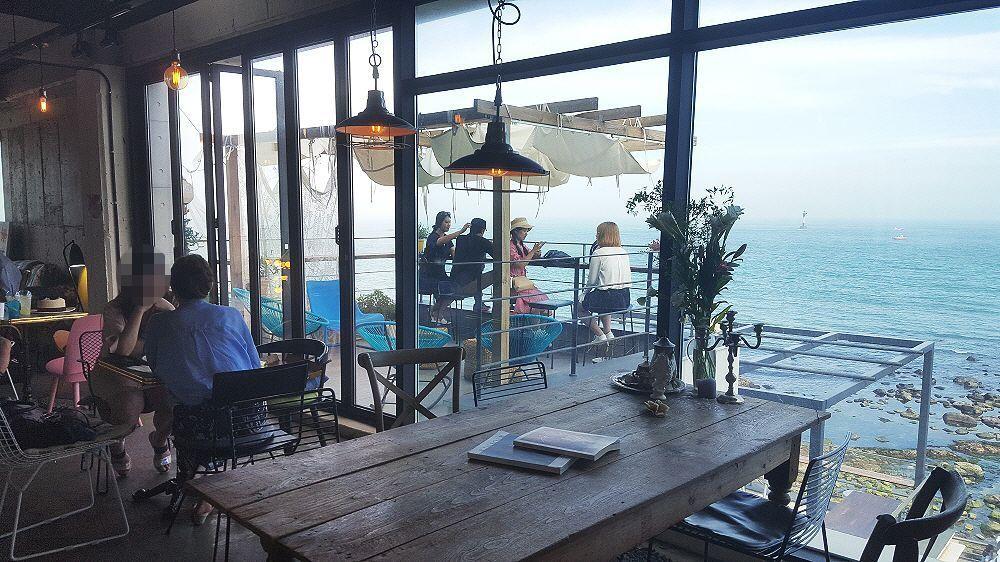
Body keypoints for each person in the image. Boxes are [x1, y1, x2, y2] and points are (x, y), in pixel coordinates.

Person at [144, 254, 260, 524]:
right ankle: (205, 482)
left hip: (198, 425)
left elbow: (156, 367)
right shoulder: (231, 316)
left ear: (173, 288)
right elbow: (254, 365)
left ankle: (201, 483)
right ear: (209, 285)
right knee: (209, 406)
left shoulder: (159, 324)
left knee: (185, 405)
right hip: (248, 419)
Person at [88, 248, 177, 478]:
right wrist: (140, 308)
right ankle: (117, 443)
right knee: (130, 406)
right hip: (115, 375)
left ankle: (159, 439)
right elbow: (123, 351)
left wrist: (168, 309)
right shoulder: (114, 308)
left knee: (174, 401)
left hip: (151, 374)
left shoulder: (167, 304)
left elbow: (176, 338)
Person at [581, 222, 632, 351]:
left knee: (578, 308)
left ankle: (600, 335)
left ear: (601, 235)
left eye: (598, 233)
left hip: (606, 298)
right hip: (624, 298)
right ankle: (608, 333)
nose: (596, 235)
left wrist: (584, 293)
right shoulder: (624, 252)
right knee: (603, 301)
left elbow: (592, 281)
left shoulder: (599, 253)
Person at [419, 211, 469, 323]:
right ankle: (437, 313)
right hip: (429, 276)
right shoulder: (432, 237)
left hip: (441, 275)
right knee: (449, 289)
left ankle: (435, 311)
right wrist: (460, 232)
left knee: (457, 289)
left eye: (449, 222)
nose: (448, 225)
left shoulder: (447, 239)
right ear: (439, 222)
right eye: (446, 222)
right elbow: (439, 242)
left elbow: (454, 252)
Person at [451, 218, 494, 313]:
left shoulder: (460, 239)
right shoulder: (483, 242)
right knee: (489, 273)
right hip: (470, 281)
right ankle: (480, 304)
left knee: (476, 272)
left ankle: (479, 303)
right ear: (482, 230)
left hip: (455, 277)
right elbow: (496, 255)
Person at [509, 217, 549, 314]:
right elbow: (520, 264)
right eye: (524, 231)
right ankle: (533, 323)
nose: (526, 233)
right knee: (538, 301)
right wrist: (533, 251)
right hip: (513, 284)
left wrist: (536, 253)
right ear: (516, 231)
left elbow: (530, 256)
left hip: (522, 283)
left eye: (527, 231)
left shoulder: (521, 245)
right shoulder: (510, 246)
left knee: (543, 300)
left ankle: (535, 323)